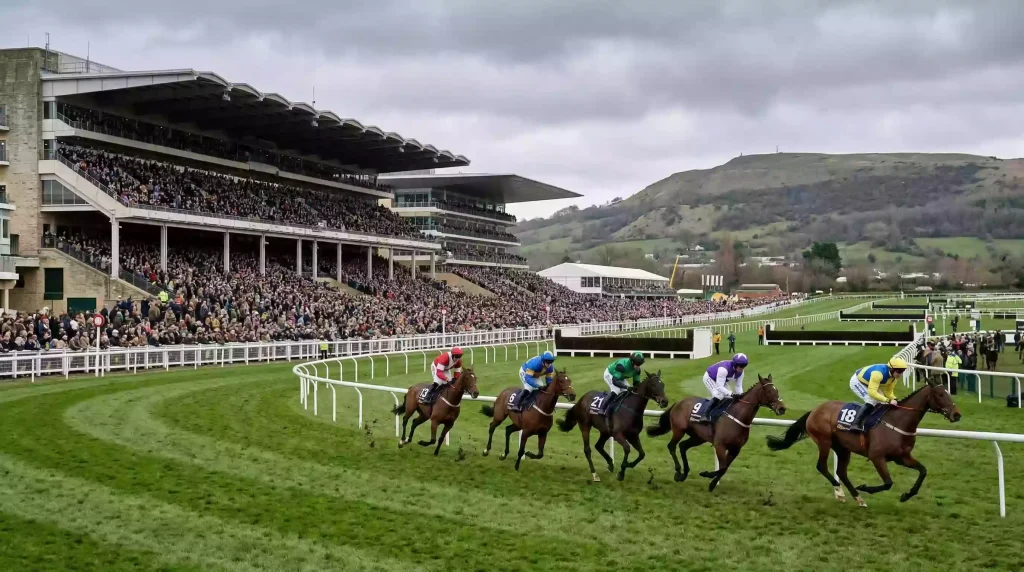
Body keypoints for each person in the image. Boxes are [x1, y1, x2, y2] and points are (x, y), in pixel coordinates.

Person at [848, 357, 908, 432]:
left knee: (883, 402)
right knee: (872, 400)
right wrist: (888, 400)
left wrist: (894, 399)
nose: (900, 374)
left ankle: (875, 421)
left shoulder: (894, 377)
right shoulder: (878, 374)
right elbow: (872, 392)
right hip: (858, 381)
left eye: (903, 371)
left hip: (870, 383)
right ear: (892, 369)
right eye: (899, 371)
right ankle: (856, 423)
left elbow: (888, 392)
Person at [699, 353, 748, 421]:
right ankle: (704, 415)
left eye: (744, 366)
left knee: (730, 397)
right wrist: (731, 393)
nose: (742, 368)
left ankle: (721, 413)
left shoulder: (741, 372)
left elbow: (738, 386)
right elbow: (719, 387)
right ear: (735, 364)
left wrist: (741, 396)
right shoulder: (723, 369)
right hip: (710, 378)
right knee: (719, 395)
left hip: (722, 380)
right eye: (741, 366)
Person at [603, 352, 645, 423]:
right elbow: (615, 381)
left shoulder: (637, 370)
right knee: (616, 390)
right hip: (610, 374)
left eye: (639, 364)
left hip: (620, 377)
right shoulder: (621, 365)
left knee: (628, 392)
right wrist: (627, 387)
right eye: (637, 364)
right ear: (632, 362)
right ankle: (604, 409)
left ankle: (620, 409)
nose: (638, 366)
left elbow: (636, 383)